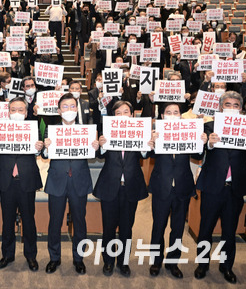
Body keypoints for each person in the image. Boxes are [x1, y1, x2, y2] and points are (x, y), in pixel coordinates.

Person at [194, 91, 246, 283]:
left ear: (241, 108)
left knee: (229, 231)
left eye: (236, 105)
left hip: (234, 187)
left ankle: (226, 267)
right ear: (220, 107)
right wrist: (208, 144)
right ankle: (202, 265)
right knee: (205, 230)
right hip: (212, 186)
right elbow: (196, 152)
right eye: (228, 104)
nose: (232, 108)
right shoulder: (208, 126)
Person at [146, 102, 206, 279]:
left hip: (182, 186)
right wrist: (150, 142)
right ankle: (156, 262)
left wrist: (201, 142)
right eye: (168, 112)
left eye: (176, 112)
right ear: (162, 116)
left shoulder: (188, 132)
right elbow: (148, 155)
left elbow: (197, 157)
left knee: (178, 228)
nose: (172, 114)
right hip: (161, 186)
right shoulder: (156, 133)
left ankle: (173, 262)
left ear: (181, 115)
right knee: (158, 226)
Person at [43, 93, 99, 275]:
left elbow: (93, 155)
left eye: (72, 106)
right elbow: (44, 155)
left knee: (80, 222)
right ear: (59, 111)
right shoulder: (51, 130)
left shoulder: (87, 130)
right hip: (57, 180)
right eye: (65, 107)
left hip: (79, 180)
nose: (69, 110)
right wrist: (46, 146)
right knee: (54, 222)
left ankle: (78, 258)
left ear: (77, 109)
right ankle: (54, 258)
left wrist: (96, 146)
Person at [94, 100, 150, 277]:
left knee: (127, 228)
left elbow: (147, 154)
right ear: (113, 116)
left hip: (131, 186)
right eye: (118, 113)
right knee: (109, 228)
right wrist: (101, 146)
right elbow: (99, 156)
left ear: (132, 115)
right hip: (110, 185)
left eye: (126, 112)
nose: (123, 115)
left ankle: (123, 262)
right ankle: (108, 261)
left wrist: (147, 146)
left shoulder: (141, 132)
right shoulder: (106, 133)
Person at [0, 97, 44, 271]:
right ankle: (7, 255)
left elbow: (42, 149)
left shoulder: (34, 129)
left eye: (21, 110)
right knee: (7, 221)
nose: (17, 113)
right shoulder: (0, 129)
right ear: (8, 112)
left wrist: (39, 146)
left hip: (26, 179)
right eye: (13, 110)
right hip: (7, 180)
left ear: (26, 113)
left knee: (29, 221)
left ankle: (31, 256)